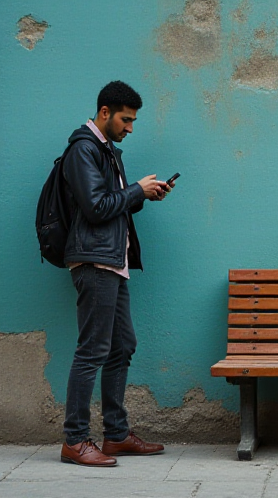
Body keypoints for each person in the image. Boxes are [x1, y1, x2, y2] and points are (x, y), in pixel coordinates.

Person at [60, 81, 172, 467]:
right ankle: (74, 440)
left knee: (121, 346)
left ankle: (116, 434)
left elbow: (112, 207)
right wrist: (136, 190)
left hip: (113, 262)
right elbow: (95, 207)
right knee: (92, 350)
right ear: (105, 112)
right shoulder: (83, 150)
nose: (130, 127)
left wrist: (144, 195)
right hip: (94, 263)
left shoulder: (106, 151)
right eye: (126, 119)